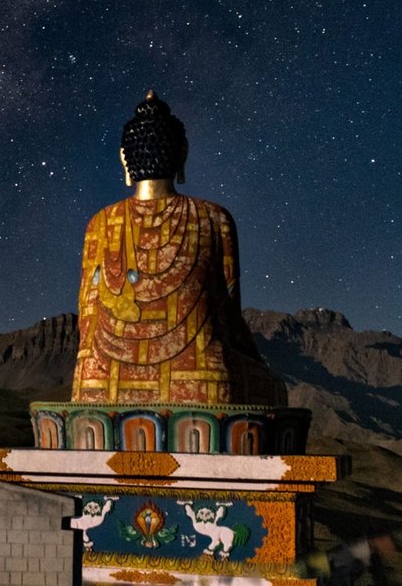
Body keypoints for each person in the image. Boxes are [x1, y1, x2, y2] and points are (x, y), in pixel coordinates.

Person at [72, 91, 278, 405]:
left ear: (124, 159)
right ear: (182, 154)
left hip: (99, 380)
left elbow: (87, 324)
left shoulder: (99, 223)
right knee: (272, 389)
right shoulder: (214, 218)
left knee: (87, 381)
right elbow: (230, 320)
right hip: (202, 380)